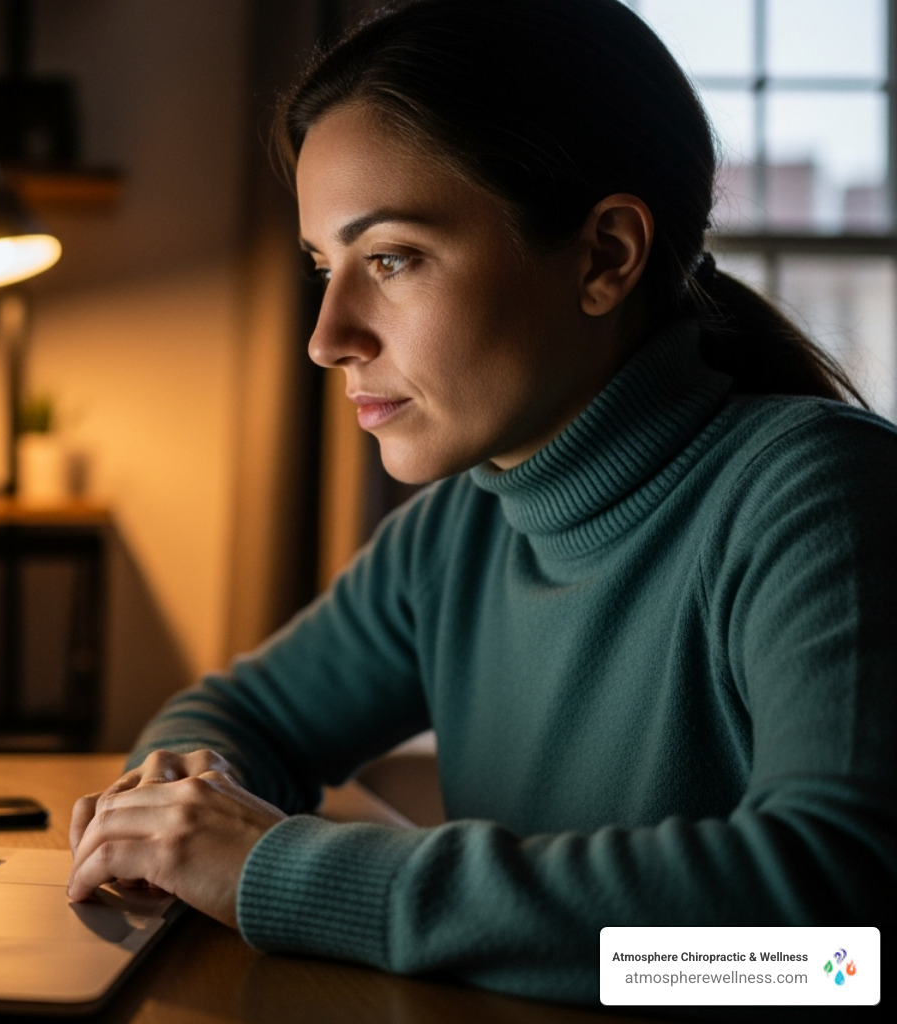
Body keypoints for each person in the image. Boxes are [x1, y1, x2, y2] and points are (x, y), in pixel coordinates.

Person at [66, 0, 897, 1004]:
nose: (327, 337)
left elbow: (831, 946)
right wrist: (174, 803)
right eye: (325, 267)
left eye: (391, 258)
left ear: (605, 256)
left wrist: (291, 876)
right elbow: (247, 715)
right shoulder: (453, 535)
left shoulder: (820, 494)